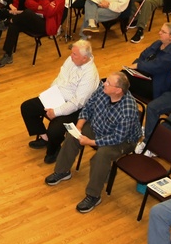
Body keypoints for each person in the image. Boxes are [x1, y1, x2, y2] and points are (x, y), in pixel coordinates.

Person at [44, 72, 143, 213]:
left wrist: (90, 141)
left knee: (101, 155)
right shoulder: (103, 90)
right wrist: (78, 127)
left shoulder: (128, 109)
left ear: (118, 90)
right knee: (73, 136)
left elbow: (118, 137)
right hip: (99, 127)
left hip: (123, 141)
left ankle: (93, 195)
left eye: (108, 83)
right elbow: (88, 108)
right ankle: (62, 171)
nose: (104, 84)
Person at [21, 40, 99, 164]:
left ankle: (54, 150)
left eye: (74, 54)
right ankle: (45, 138)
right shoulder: (72, 60)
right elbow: (60, 78)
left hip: (75, 108)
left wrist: (56, 112)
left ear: (85, 58)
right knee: (27, 107)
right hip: (57, 96)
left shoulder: (90, 75)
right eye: (72, 53)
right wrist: (49, 94)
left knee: (55, 130)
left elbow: (77, 102)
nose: (70, 56)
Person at [0, 0, 65, 68]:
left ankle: (6, 23)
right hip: (31, 18)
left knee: (26, 13)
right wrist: (41, 6)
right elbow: (28, 2)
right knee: (15, 24)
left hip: (46, 24)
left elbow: (49, 13)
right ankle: (8, 55)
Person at [125, 23, 171, 100]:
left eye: (163, 32)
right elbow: (143, 55)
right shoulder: (158, 43)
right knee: (123, 76)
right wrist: (134, 67)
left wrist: (138, 66)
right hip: (145, 74)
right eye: (160, 30)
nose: (159, 33)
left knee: (123, 81)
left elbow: (157, 66)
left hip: (156, 84)